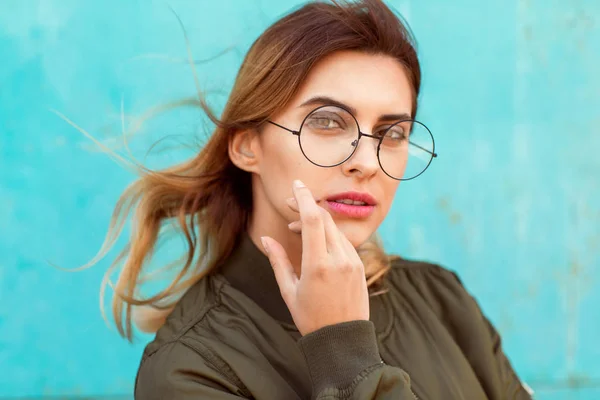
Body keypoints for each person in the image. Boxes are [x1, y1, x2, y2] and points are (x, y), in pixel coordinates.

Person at [96, 0, 533, 398]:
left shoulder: (442, 300)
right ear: (248, 145)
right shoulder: (190, 370)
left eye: (392, 133)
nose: (367, 161)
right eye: (327, 122)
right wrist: (345, 354)